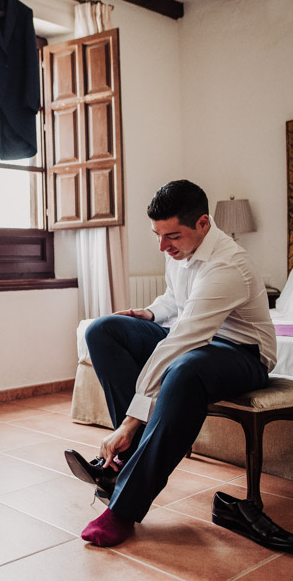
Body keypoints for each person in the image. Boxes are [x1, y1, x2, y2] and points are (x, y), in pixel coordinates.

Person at [67, 179, 277, 547]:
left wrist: (133, 419)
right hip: (198, 341)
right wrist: (148, 313)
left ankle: (124, 507)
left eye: (172, 237)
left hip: (242, 354)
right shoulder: (179, 251)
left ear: (203, 224)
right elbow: (176, 301)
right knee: (102, 331)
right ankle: (131, 459)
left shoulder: (229, 266)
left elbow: (183, 340)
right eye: (158, 236)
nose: (163, 246)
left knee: (184, 368)